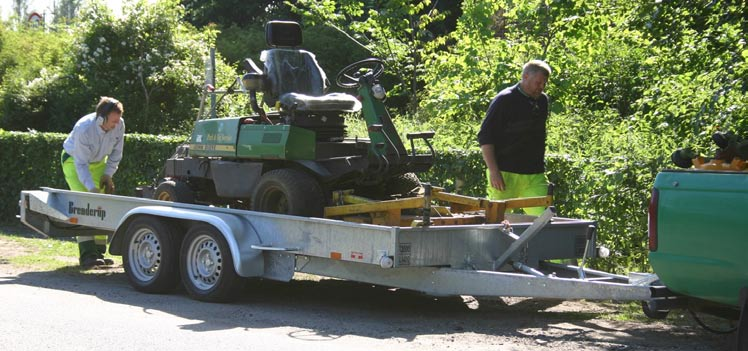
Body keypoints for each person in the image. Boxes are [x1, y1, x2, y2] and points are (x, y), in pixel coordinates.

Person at [477, 60, 551, 216]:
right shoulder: (505, 99)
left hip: (534, 174)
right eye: (538, 82)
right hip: (504, 173)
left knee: (543, 219)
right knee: (498, 221)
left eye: (544, 83)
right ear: (525, 76)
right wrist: (494, 171)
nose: (541, 87)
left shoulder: (543, 101)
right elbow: (485, 136)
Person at [62, 96, 125, 268]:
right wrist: (91, 188)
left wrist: (108, 174)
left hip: (98, 163)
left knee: (101, 204)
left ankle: (99, 252)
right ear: (101, 118)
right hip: (74, 162)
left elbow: (116, 154)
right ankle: (87, 255)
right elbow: (81, 164)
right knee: (84, 204)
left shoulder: (119, 124)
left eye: (118, 120)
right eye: (113, 121)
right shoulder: (84, 128)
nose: (116, 125)